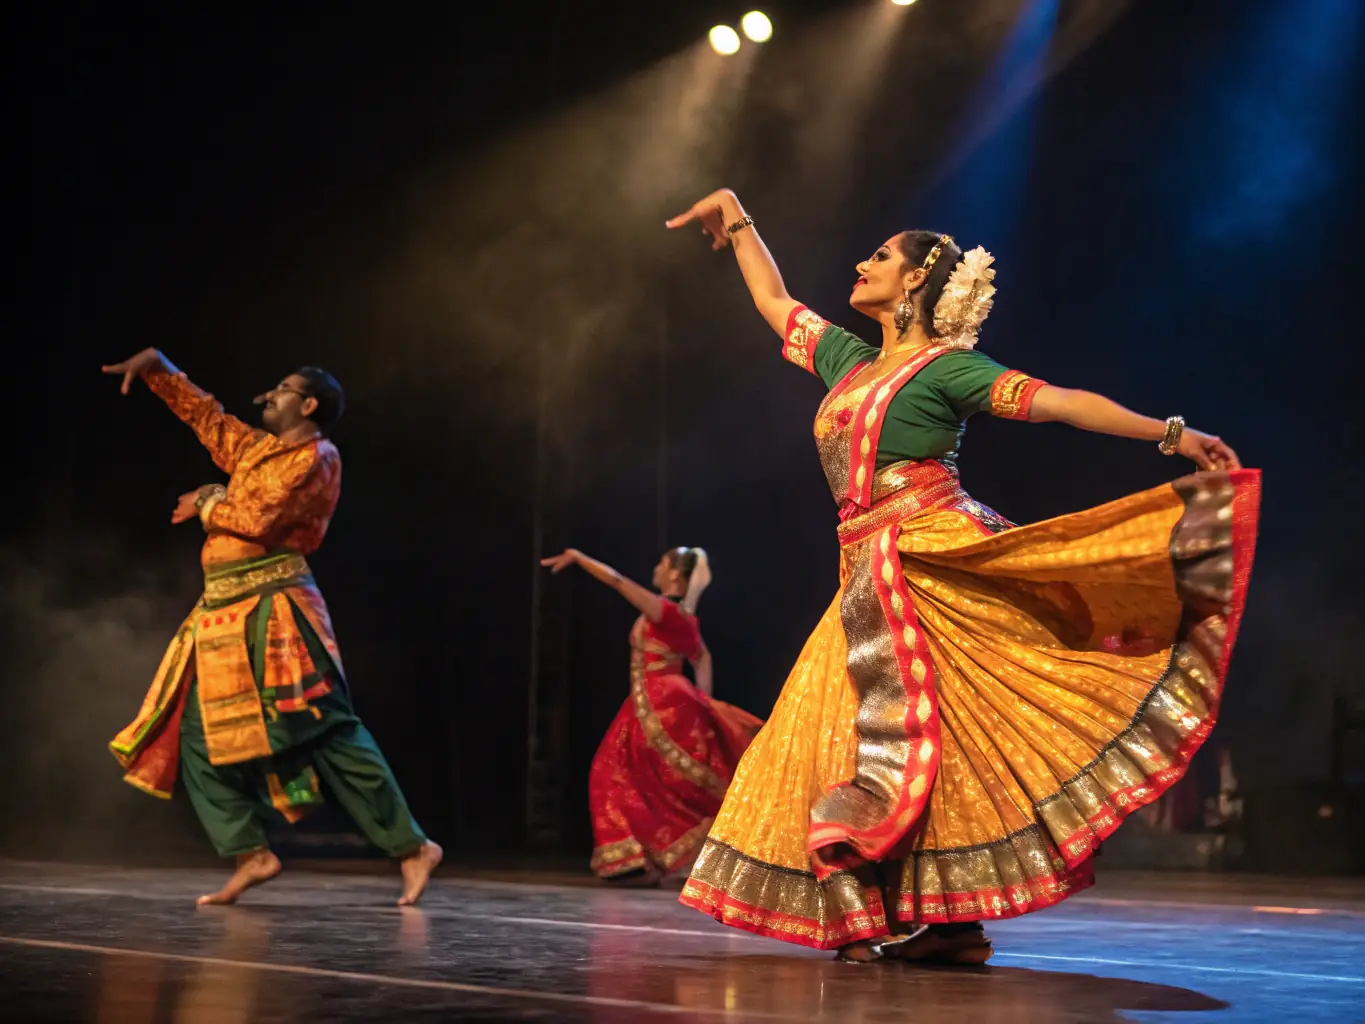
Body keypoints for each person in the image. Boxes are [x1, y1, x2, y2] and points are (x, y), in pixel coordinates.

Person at [664, 189, 1259, 964]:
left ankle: (935, 919)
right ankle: (933, 920)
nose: (861, 263)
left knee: (939, 738)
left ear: (914, 281)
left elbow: (1061, 403)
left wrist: (1173, 435)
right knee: (849, 736)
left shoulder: (952, 371)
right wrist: (738, 219)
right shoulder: (848, 360)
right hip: (864, 570)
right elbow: (774, 301)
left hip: (931, 557)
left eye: (878, 256)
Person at [103, 348, 443, 906]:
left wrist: (210, 498)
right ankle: (251, 853)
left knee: (323, 726)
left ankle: (411, 847)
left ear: (308, 404)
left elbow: (257, 519)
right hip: (220, 611)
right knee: (193, 732)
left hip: (275, 605)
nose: (269, 395)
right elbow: (209, 419)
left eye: (282, 388)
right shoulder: (258, 450)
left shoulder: (317, 457)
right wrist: (161, 372)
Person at [541, 546, 763, 884]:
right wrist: (704, 700)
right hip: (652, 702)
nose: (656, 567)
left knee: (624, 773)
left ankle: (649, 859)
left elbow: (617, 582)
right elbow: (702, 657)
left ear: (674, 573)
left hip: (662, 704)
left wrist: (579, 558)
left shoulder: (665, 611)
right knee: (637, 778)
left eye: (662, 562)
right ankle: (645, 859)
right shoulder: (680, 616)